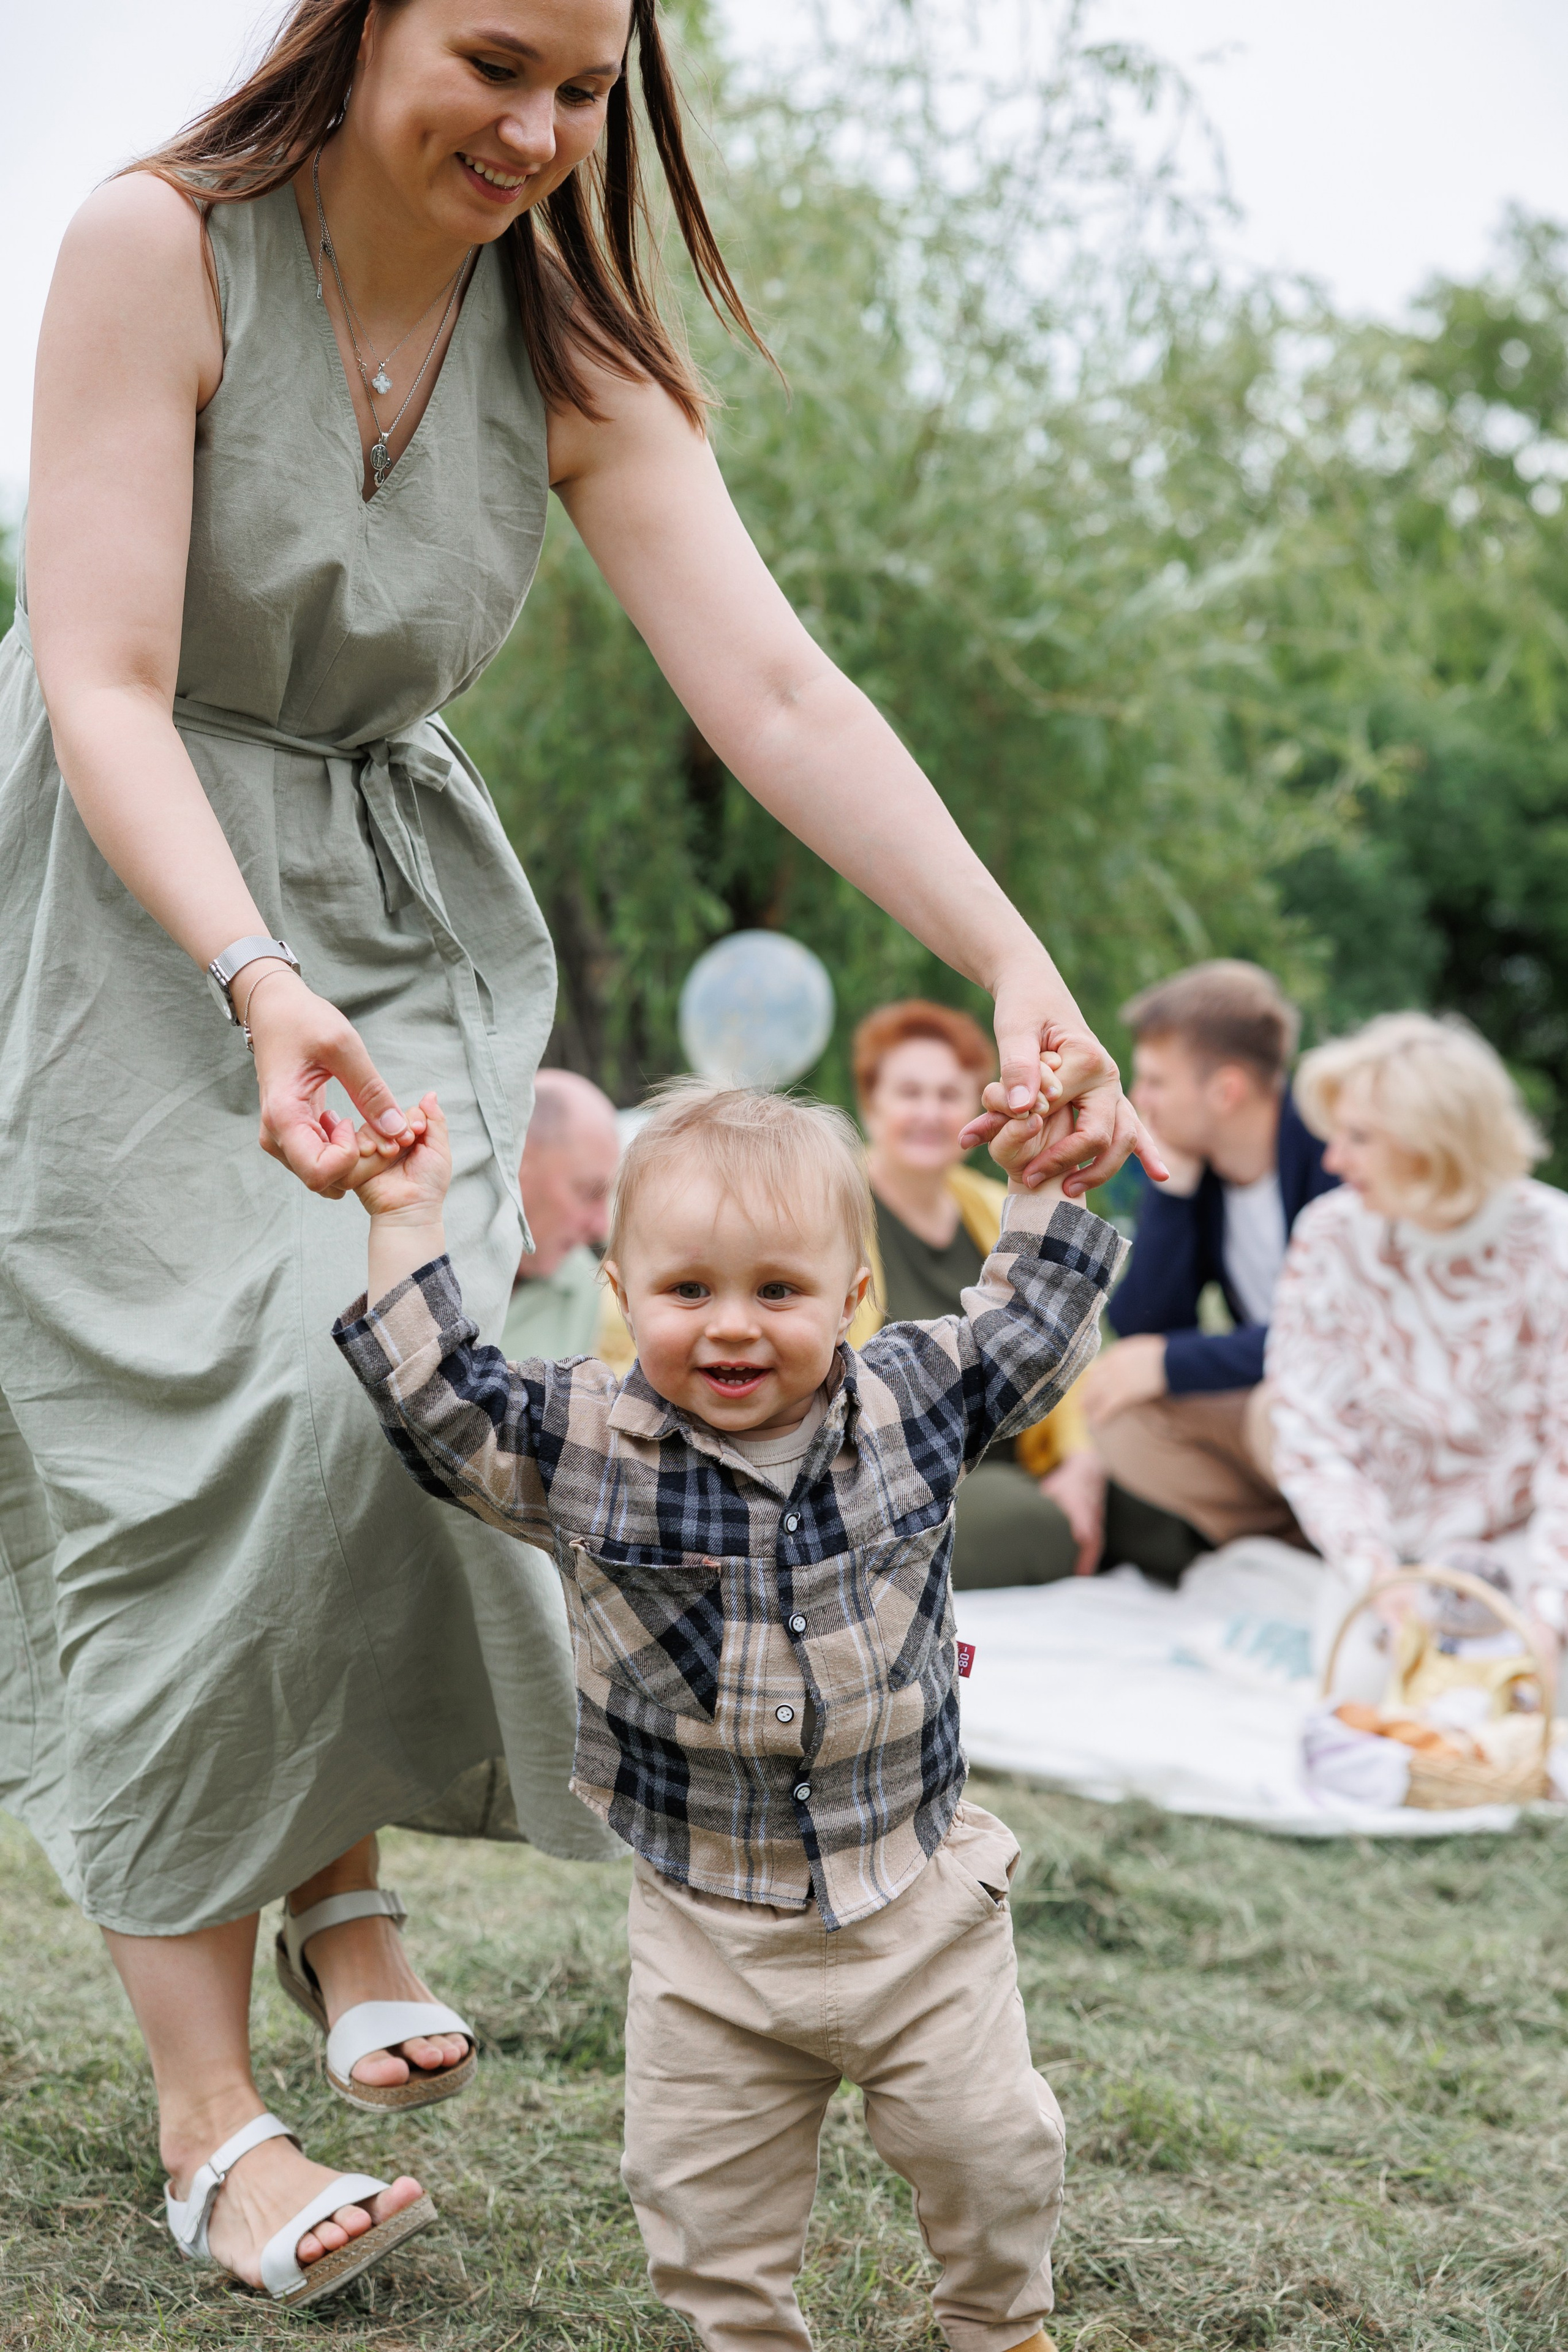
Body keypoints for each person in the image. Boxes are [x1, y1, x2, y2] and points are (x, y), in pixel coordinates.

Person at [1, 0, 1158, 2301]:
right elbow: (100, 674)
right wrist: (249, 976)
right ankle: (208, 2112)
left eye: (589, 95)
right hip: (141, 910)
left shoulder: (573, 334)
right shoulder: (154, 247)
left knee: (371, 1401)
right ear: (360, 26)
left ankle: (336, 1888)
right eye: (495, 64)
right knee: (195, 1441)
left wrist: (1011, 956)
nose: (539, 134)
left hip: (399, 907)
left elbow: (775, 691)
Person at [334, 1076, 1127, 2352]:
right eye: (687, 1291)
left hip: (918, 1906)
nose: (731, 1329)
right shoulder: (584, 1442)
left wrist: (1045, 1175)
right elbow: (441, 1402)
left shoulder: (911, 1403)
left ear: (852, 1298)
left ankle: (996, 2322)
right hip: (708, 1937)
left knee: (992, 2149)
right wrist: (402, 1214)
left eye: (777, 1291)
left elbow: (1025, 1326)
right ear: (622, 1290)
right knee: (699, 2206)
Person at [1267, 1012, 1568, 1681]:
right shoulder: (1328, 1234)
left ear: (1434, 1143)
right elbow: (1308, 1432)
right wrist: (1379, 1581)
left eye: (1359, 1137)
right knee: (1364, 1693)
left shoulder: (1554, 1244)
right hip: (1389, 1550)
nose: (1331, 1159)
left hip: (1530, 1548)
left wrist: (1549, 1619)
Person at [852, 1000, 1185, 1583]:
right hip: (904, 1474)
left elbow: (1072, 1334)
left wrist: (1082, 1461)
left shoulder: (992, 1205)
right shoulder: (833, 1209)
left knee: (1156, 1500)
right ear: (870, 1103)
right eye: (910, 1093)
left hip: (1019, 1451)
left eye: (947, 1095)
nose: (929, 1112)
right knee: (1033, 1521)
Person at [1080, 961, 1338, 1556]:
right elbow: (1143, 1323)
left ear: (1225, 1091)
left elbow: (1330, 1340)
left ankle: (1369, 1550)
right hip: (1278, 1415)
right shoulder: (1206, 1172)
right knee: (1120, 1414)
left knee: (1282, 1408)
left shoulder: (1334, 1156)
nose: (1138, 1101)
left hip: (1354, 1406)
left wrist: (1174, 1363)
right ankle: (1291, 1550)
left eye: (1155, 1082)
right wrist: (1172, 1190)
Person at [501, 1068, 621, 1360]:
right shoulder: (422, 1250)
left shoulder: (581, 1288)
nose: (602, 1228)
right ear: (519, 1159)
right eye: (589, 1193)